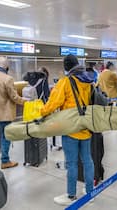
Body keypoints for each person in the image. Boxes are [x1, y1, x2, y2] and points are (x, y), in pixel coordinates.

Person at [40, 54, 95, 206]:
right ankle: (90, 191)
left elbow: (52, 104)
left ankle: (71, 195)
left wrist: (41, 112)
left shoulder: (65, 82)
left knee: (71, 163)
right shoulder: (89, 80)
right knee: (87, 160)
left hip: (71, 127)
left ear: (66, 67)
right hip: (86, 126)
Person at [0, 56, 26, 169]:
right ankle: (5, 161)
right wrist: (25, 101)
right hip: (4, 115)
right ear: (6, 66)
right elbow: (14, 97)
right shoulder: (7, 79)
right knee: (5, 137)